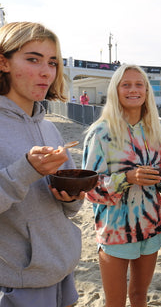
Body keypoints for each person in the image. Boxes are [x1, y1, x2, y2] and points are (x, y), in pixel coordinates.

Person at [0, 21, 84, 307]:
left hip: (63, 269)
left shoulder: (49, 128)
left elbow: (69, 208)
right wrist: (25, 171)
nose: (46, 72)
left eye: (52, 62)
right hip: (18, 281)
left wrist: (72, 196)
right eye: (33, 59)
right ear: (4, 62)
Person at [82, 64, 161, 307]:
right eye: (126, 84)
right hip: (116, 229)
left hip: (153, 226)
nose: (133, 90)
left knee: (139, 297)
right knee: (115, 302)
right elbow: (89, 189)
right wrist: (128, 178)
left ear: (147, 91)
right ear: (115, 90)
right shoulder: (101, 133)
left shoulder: (157, 129)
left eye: (139, 85)